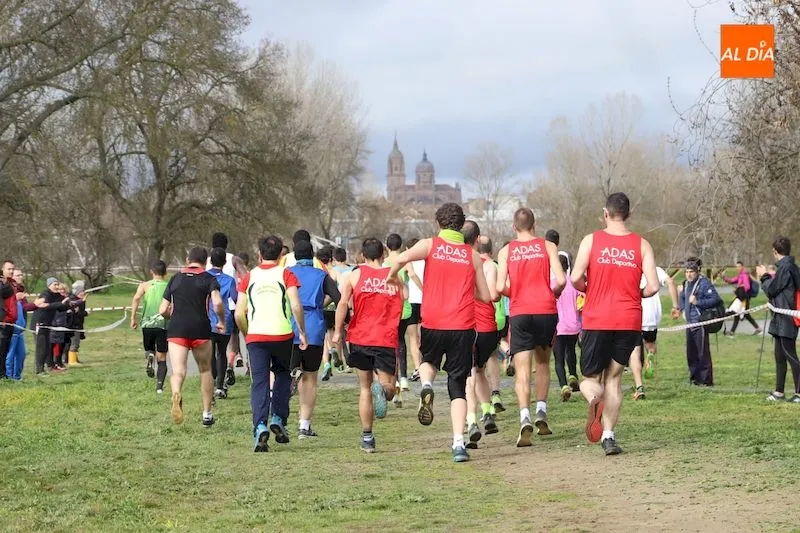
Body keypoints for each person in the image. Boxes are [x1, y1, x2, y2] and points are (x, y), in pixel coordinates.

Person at [386, 203, 491, 463]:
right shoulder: (472, 256)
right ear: (461, 226)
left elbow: (399, 259)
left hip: (433, 321)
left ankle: (426, 385)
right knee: (458, 386)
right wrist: (466, 288)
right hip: (462, 326)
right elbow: (486, 296)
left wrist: (391, 278)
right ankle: (458, 444)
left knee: (428, 362)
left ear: (438, 223)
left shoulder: (429, 245)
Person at [571, 192, 660, 455]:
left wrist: (588, 288)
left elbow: (575, 278)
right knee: (614, 378)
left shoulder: (591, 240)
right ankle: (608, 437)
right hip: (628, 318)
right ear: (629, 214)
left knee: (589, 379)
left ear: (605, 213)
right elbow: (654, 286)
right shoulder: (642, 245)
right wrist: (638, 293)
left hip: (597, 317)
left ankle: (594, 399)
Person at [496, 207, 565, 446]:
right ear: (534, 225)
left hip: (521, 313)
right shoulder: (548, 246)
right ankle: (541, 412)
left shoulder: (506, 251)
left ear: (514, 227)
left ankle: (524, 416)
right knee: (543, 364)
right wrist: (553, 292)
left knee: (523, 371)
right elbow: (562, 280)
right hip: (545, 310)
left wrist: (516, 292)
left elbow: (499, 287)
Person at [235, 235, 308, 452]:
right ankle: (278, 418)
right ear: (280, 255)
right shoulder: (287, 274)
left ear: (259, 254)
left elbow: (239, 313)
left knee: (259, 382)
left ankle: (259, 426)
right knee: (282, 375)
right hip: (282, 335)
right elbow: (296, 305)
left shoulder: (249, 277)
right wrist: (302, 331)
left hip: (256, 336)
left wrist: (247, 333)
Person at [333, 238, 404, 452]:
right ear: (383, 254)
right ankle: (384, 390)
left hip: (360, 337)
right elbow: (402, 303)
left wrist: (337, 332)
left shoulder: (354, 275)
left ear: (363, 256)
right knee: (390, 387)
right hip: (385, 338)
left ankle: (367, 438)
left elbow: (342, 304)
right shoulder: (394, 277)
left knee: (364, 389)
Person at [159, 247, 226, 426]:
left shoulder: (175, 278)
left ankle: (176, 393)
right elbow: (217, 303)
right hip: (200, 328)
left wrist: (173, 317)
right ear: (206, 262)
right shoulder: (209, 279)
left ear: (188, 260)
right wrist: (221, 321)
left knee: (178, 371)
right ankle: (207, 414)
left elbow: (163, 309)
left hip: (177, 328)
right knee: (205, 370)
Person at [287, 240, 341, 437]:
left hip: (290, 328)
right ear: (312, 256)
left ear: (294, 255)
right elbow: (338, 297)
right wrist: (320, 304)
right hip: (314, 329)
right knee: (310, 378)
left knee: (285, 372)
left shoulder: (287, 273)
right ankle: (304, 425)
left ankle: (279, 418)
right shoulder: (321, 275)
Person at [463, 224, 501, 449]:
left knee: (468, 374)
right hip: (488, 328)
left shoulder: (459, 262)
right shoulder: (488, 265)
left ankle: (471, 422)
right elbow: (493, 295)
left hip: (467, 326)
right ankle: (487, 412)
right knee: (479, 371)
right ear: (477, 240)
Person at [757, 237, 800, 402]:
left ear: (775, 251)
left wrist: (764, 276)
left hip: (787, 318)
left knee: (791, 355)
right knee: (779, 356)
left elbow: (772, 290)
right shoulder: (789, 267)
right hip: (780, 318)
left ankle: (799, 393)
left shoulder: (786, 268)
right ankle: (779, 392)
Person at [629, 266, 678, 399]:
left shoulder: (629, 266)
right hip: (652, 317)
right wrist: (675, 306)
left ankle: (639, 387)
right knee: (650, 345)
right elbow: (671, 282)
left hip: (635, 314)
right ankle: (650, 355)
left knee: (634, 352)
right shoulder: (656, 270)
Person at [384, 233, 420, 404]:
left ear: (387, 246)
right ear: (400, 245)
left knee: (393, 344)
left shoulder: (384, 263)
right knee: (403, 342)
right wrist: (423, 289)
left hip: (390, 308)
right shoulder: (405, 260)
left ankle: (396, 380)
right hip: (405, 307)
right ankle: (404, 377)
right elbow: (412, 275)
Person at [676, 257, 722, 388]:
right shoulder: (685, 284)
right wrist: (681, 309)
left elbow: (716, 299)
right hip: (689, 323)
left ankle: (706, 380)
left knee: (703, 353)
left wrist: (698, 302)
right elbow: (683, 298)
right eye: (686, 272)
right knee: (691, 353)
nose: (689, 274)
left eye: (691, 271)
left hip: (700, 322)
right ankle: (695, 378)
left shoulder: (704, 283)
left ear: (697, 272)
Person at [131, 260, 170, 392]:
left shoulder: (145, 285)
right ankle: (159, 387)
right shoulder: (169, 286)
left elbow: (136, 299)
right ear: (165, 273)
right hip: (163, 324)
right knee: (162, 357)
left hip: (147, 324)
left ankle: (150, 356)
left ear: (151, 272)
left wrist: (133, 318)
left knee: (149, 348)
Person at [207, 247, 238, 399]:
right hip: (224, 320)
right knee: (222, 353)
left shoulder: (205, 277)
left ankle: (211, 382)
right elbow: (235, 298)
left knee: (210, 353)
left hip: (207, 320)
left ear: (210, 261)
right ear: (225, 262)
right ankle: (220, 386)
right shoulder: (229, 280)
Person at [553, 251, 583, 402]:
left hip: (558, 326)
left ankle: (563, 385)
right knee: (570, 350)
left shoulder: (552, 283)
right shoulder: (574, 283)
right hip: (574, 325)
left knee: (558, 358)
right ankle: (573, 374)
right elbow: (581, 303)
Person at [32, 278, 77, 375]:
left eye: (57, 284)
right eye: (54, 285)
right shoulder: (45, 294)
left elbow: (61, 307)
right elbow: (43, 305)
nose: (57, 287)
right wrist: (59, 304)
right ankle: (39, 370)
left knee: (47, 346)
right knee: (42, 347)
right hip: (40, 323)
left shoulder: (57, 295)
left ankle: (47, 367)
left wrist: (70, 305)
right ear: (49, 286)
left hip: (48, 324)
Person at [5, 269, 35, 379]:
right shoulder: (7, 291)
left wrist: (35, 305)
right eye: (17, 275)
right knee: (10, 355)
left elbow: (24, 307)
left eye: (21, 275)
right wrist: (15, 298)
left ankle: (17, 377)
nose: (20, 277)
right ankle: (9, 378)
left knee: (22, 354)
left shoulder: (21, 291)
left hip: (20, 330)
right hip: (12, 329)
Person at [721, 261, 763, 337]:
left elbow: (747, 287)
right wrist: (724, 277)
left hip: (743, 298)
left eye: (739, 266)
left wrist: (738, 289)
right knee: (743, 314)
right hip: (742, 297)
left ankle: (731, 332)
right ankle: (757, 329)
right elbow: (732, 280)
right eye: (737, 267)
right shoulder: (740, 275)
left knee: (737, 313)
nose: (738, 268)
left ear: (742, 266)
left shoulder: (744, 275)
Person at [405, 237, 425, 381]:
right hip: (426, 302)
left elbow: (411, 274)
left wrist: (422, 289)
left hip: (412, 300)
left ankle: (418, 368)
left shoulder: (409, 260)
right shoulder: (427, 260)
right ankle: (425, 365)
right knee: (423, 336)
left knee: (413, 338)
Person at [1, 260, 24, 377]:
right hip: (4, 322)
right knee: (4, 352)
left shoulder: (12, 284)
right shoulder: (2, 284)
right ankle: (4, 376)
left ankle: (8, 377)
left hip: (12, 322)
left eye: (12, 269)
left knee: (6, 352)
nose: (11, 271)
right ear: (2, 270)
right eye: (8, 269)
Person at [66, 281, 89, 366]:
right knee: (74, 343)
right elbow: (76, 313)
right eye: (81, 292)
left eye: (83, 291)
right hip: (74, 325)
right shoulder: (74, 301)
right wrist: (86, 313)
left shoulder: (80, 300)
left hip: (78, 324)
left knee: (76, 343)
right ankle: (72, 361)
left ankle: (74, 359)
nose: (83, 293)